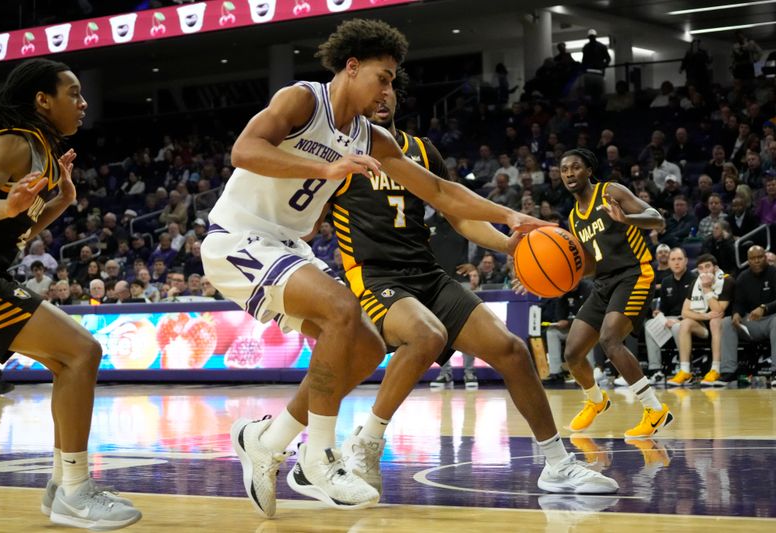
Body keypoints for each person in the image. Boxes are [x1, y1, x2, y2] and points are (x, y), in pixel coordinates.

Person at [202, 20, 613, 520]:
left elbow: (441, 194)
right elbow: (243, 151)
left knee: (366, 347)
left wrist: (510, 218)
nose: (388, 88)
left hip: (293, 246)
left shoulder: (374, 140)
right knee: (344, 310)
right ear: (351, 68)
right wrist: (326, 167)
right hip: (240, 235)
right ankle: (318, 458)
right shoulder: (302, 101)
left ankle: (268, 439)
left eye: (394, 80)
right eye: (383, 75)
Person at [326, 68, 616, 495]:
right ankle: (366, 441)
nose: (384, 97)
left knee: (513, 351)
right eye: (377, 88)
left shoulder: (421, 152)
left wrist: (511, 246)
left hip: (426, 274)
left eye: (391, 90)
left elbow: (458, 215)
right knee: (424, 336)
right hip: (374, 277)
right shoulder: (336, 152)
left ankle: (556, 464)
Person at [0, 59, 140, 529]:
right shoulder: (14, 143)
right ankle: (74, 490)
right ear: (42, 100)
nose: (84, 103)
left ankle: (61, 486)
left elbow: (16, 227)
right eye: (73, 93)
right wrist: (5, 204)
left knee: (70, 358)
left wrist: (60, 203)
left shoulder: (42, 151)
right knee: (81, 352)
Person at [560, 148, 673, 439]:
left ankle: (654, 410)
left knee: (610, 339)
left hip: (635, 274)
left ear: (588, 170)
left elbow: (656, 218)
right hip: (603, 283)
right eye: (564, 170)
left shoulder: (611, 192)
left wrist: (626, 219)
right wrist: (553, 278)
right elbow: (588, 265)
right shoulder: (574, 218)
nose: (570, 173)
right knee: (572, 353)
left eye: (575, 167)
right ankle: (597, 401)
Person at [667, 254, 734, 387]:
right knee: (684, 323)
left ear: (715, 268)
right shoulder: (696, 283)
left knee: (715, 321)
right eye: (701, 268)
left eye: (708, 267)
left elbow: (719, 312)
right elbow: (684, 312)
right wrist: (704, 316)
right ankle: (685, 371)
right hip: (703, 326)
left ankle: (715, 369)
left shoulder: (727, 280)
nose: (705, 271)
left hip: (723, 326)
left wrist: (707, 289)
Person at [720, 246, 776, 387]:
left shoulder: (774, 273)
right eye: (752, 258)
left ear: (765, 257)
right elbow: (739, 302)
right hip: (750, 322)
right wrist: (736, 314)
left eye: (760, 257)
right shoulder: (743, 277)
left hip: (770, 321)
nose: (756, 261)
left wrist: (765, 308)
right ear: (748, 260)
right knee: (726, 322)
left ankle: (775, 370)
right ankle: (728, 371)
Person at [644, 247, 695, 385]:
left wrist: (678, 319)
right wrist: (659, 313)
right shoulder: (666, 282)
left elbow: (698, 309)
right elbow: (664, 309)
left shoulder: (694, 280)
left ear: (686, 261)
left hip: (689, 319)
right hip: (669, 319)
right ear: (669, 262)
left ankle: (687, 368)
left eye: (679, 259)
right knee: (649, 325)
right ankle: (656, 371)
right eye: (673, 259)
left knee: (678, 327)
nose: (676, 263)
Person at [543, 280, 593, 384]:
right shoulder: (564, 290)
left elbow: (589, 314)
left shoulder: (588, 288)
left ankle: (589, 373)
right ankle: (556, 372)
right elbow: (559, 316)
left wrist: (569, 322)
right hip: (571, 329)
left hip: (587, 327)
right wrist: (560, 298)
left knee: (590, 333)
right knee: (552, 332)